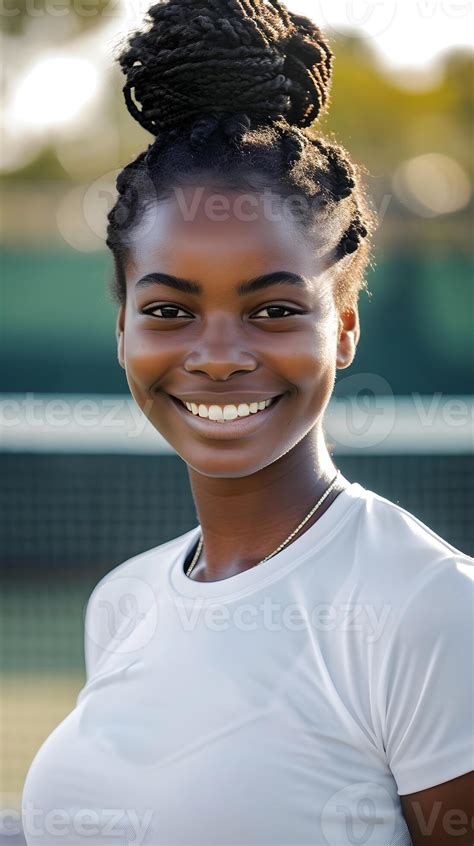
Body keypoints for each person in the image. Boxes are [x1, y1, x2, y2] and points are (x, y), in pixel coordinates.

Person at [21, 0, 473, 844]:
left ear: (341, 329)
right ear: (122, 327)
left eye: (271, 310)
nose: (218, 355)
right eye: (168, 310)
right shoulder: (120, 604)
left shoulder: (434, 607)